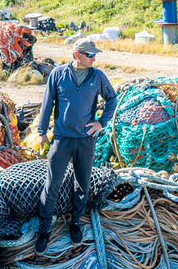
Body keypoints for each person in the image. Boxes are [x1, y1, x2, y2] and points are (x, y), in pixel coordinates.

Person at [32, 38, 117, 253]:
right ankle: (44, 228)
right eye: (90, 55)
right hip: (61, 139)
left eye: (94, 54)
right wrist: (42, 132)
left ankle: (76, 222)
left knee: (82, 184)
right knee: (52, 184)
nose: (94, 58)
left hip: (86, 140)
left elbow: (111, 99)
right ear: (77, 55)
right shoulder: (58, 74)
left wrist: (101, 122)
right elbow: (47, 103)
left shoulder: (97, 76)